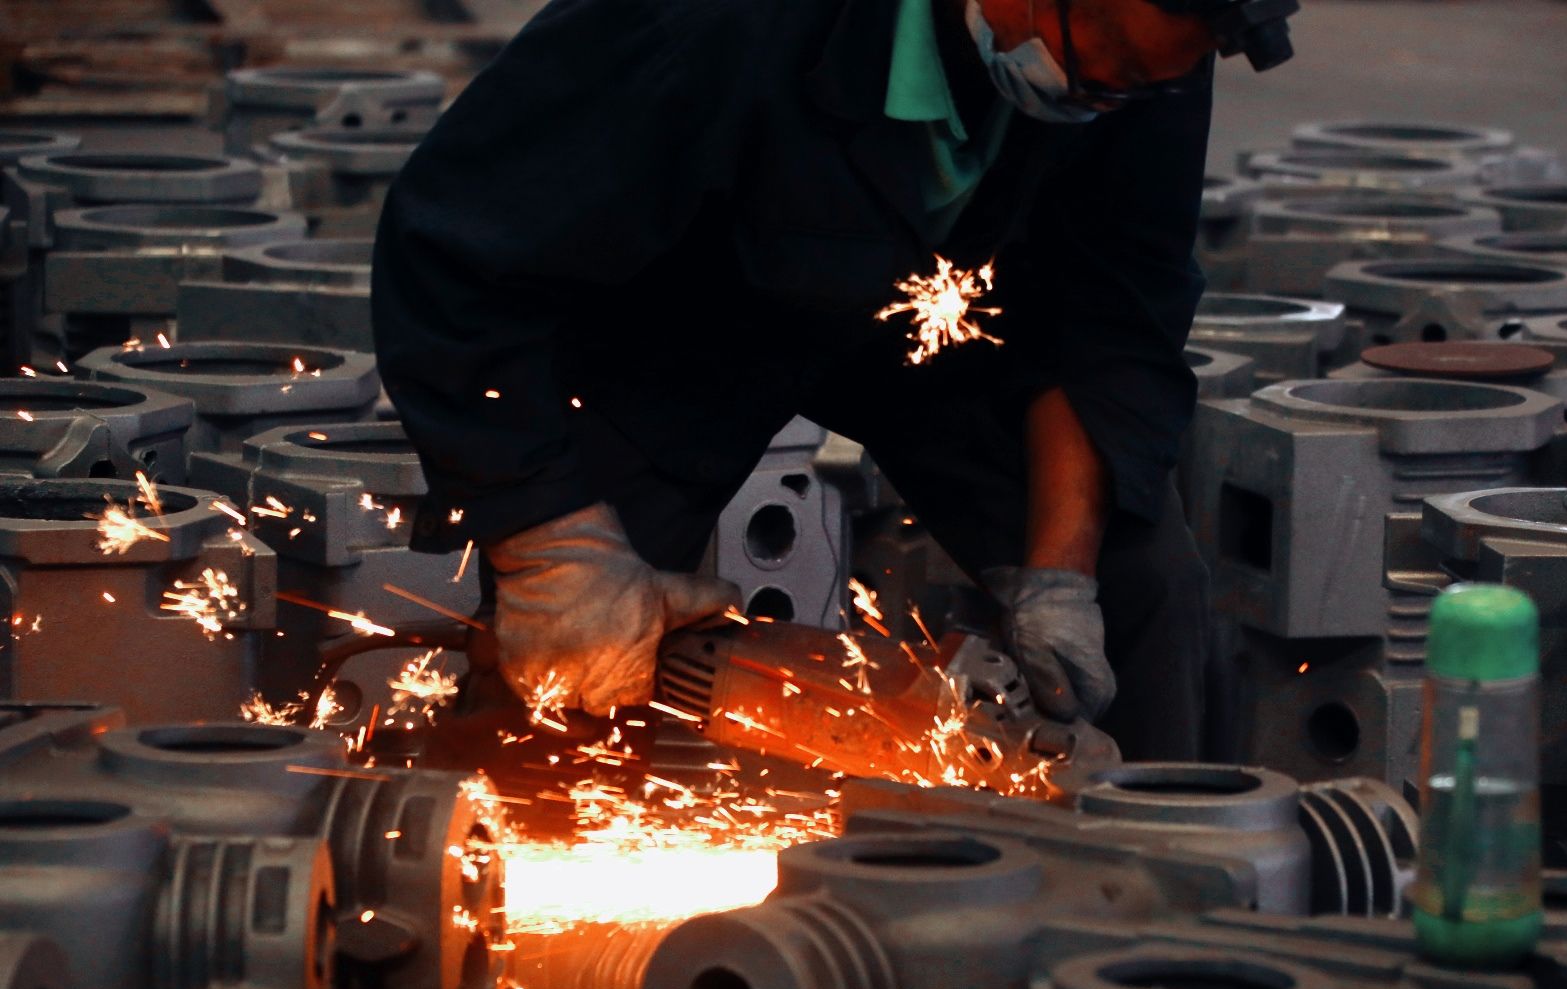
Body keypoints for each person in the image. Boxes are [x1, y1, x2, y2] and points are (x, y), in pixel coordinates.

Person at [373, 0, 1299, 760]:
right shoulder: (708, 25)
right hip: (673, 311)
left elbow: (1115, 312)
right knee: (575, 661)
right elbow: (453, 251)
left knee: (1143, 583)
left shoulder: (1146, 55)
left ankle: (1149, 885)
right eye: (1101, 69)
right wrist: (550, 544)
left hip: (935, 315)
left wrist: (1062, 575)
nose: (1107, 99)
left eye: (1138, 85)